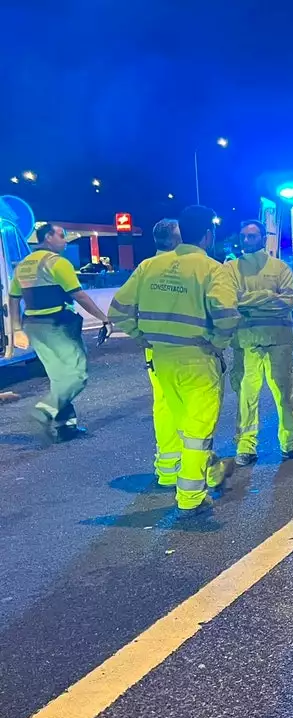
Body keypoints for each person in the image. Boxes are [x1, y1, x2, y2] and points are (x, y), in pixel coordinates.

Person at [108, 206, 239, 518]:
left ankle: (207, 470)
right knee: (197, 430)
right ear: (208, 234)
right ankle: (191, 497)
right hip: (198, 358)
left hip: (161, 358)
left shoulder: (150, 266)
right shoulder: (211, 268)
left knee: (182, 423)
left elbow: (117, 311)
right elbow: (228, 315)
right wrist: (218, 342)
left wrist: (140, 335)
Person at [5, 224, 112, 442]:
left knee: (58, 377)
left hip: (33, 325)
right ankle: (45, 410)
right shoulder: (56, 263)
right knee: (77, 376)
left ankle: (66, 427)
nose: (65, 240)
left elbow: (13, 298)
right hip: (56, 324)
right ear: (48, 237)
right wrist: (104, 318)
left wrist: (16, 329)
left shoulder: (23, 265)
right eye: (61, 236)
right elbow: (79, 295)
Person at [227, 220, 293, 467]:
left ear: (263, 238)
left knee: (285, 395)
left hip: (278, 342)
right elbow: (231, 301)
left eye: (252, 236)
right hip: (247, 343)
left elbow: (288, 301)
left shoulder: (279, 268)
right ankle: (245, 446)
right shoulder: (231, 269)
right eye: (243, 236)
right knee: (246, 397)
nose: (246, 240)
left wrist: (249, 302)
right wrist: (268, 297)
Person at [144, 219, 182, 487]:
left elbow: (121, 310)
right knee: (192, 408)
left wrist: (140, 337)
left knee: (163, 405)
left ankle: (167, 468)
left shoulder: (145, 268)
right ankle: (192, 466)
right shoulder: (188, 267)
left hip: (155, 350)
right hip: (187, 349)